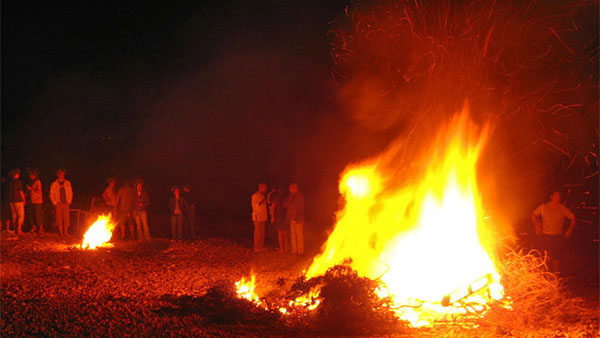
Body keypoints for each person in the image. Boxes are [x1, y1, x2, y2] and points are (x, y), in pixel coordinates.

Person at [531, 190, 576, 273]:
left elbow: (573, 218)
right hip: (545, 236)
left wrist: (569, 230)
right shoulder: (543, 207)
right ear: (551, 197)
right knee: (544, 256)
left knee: (556, 257)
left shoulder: (562, 209)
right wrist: (537, 225)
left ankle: (555, 275)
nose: (558, 198)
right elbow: (533, 215)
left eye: (559, 196)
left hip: (557, 237)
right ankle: (542, 274)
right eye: (556, 196)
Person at [49, 169, 73, 236]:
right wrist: (54, 202)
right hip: (58, 203)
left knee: (66, 217)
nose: (61, 175)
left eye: (62, 174)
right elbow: (51, 194)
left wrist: (69, 201)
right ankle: (61, 232)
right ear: (58, 175)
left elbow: (70, 192)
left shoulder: (67, 183)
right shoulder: (54, 184)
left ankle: (66, 232)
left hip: (66, 203)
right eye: (60, 174)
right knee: (59, 218)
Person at [283, 183, 304, 255]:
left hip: (298, 218)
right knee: (293, 235)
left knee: (299, 235)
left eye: (292, 188)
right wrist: (289, 204)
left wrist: (290, 204)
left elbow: (298, 206)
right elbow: (284, 204)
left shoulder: (300, 196)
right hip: (291, 218)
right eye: (290, 189)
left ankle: (301, 251)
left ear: (296, 189)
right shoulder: (289, 196)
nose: (291, 190)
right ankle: (294, 250)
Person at [269, 187, 289, 253]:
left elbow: (272, 208)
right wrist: (272, 217)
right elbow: (273, 207)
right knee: (284, 233)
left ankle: (283, 249)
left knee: (281, 234)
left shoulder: (278, 198)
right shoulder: (285, 197)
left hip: (281, 217)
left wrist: (272, 217)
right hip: (282, 217)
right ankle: (285, 249)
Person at [251, 183, 269, 252]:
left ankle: (261, 246)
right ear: (260, 188)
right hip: (257, 217)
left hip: (263, 216)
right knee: (258, 232)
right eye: (264, 188)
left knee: (262, 232)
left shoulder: (262, 196)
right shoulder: (255, 196)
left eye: (266, 188)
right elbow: (256, 206)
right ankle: (256, 247)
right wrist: (263, 200)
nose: (265, 189)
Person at [8, 169, 26, 234]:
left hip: (11, 201)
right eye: (17, 173)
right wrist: (24, 199)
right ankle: (19, 229)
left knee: (14, 215)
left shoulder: (9, 182)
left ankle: (15, 229)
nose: (18, 174)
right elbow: (20, 191)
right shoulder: (18, 182)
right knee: (21, 215)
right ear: (15, 175)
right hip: (18, 200)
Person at [26, 169, 44, 233]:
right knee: (31, 214)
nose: (30, 176)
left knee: (38, 214)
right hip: (31, 201)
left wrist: (31, 189)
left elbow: (39, 191)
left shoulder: (38, 182)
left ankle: (41, 228)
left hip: (37, 201)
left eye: (32, 175)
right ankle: (33, 227)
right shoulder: (30, 182)